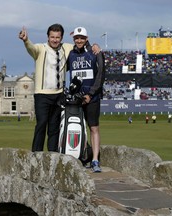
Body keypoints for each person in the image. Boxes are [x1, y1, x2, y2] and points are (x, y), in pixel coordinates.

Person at [19, 24, 100, 152]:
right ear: (48, 37)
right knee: (41, 124)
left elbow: (80, 43)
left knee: (54, 128)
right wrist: (26, 40)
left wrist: (93, 45)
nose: (55, 40)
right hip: (42, 94)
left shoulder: (67, 48)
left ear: (61, 38)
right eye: (52, 37)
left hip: (58, 94)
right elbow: (31, 48)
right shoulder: (40, 48)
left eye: (57, 37)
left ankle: (52, 156)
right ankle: (36, 156)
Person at [67, 27, 105, 172]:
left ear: (86, 38)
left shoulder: (95, 52)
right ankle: (81, 157)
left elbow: (100, 76)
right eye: (77, 38)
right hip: (76, 99)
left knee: (94, 128)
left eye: (82, 38)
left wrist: (90, 94)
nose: (79, 40)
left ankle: (95, 160)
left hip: (92, 98)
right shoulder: (71, 54)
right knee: (77, 128)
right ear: (74, 39)